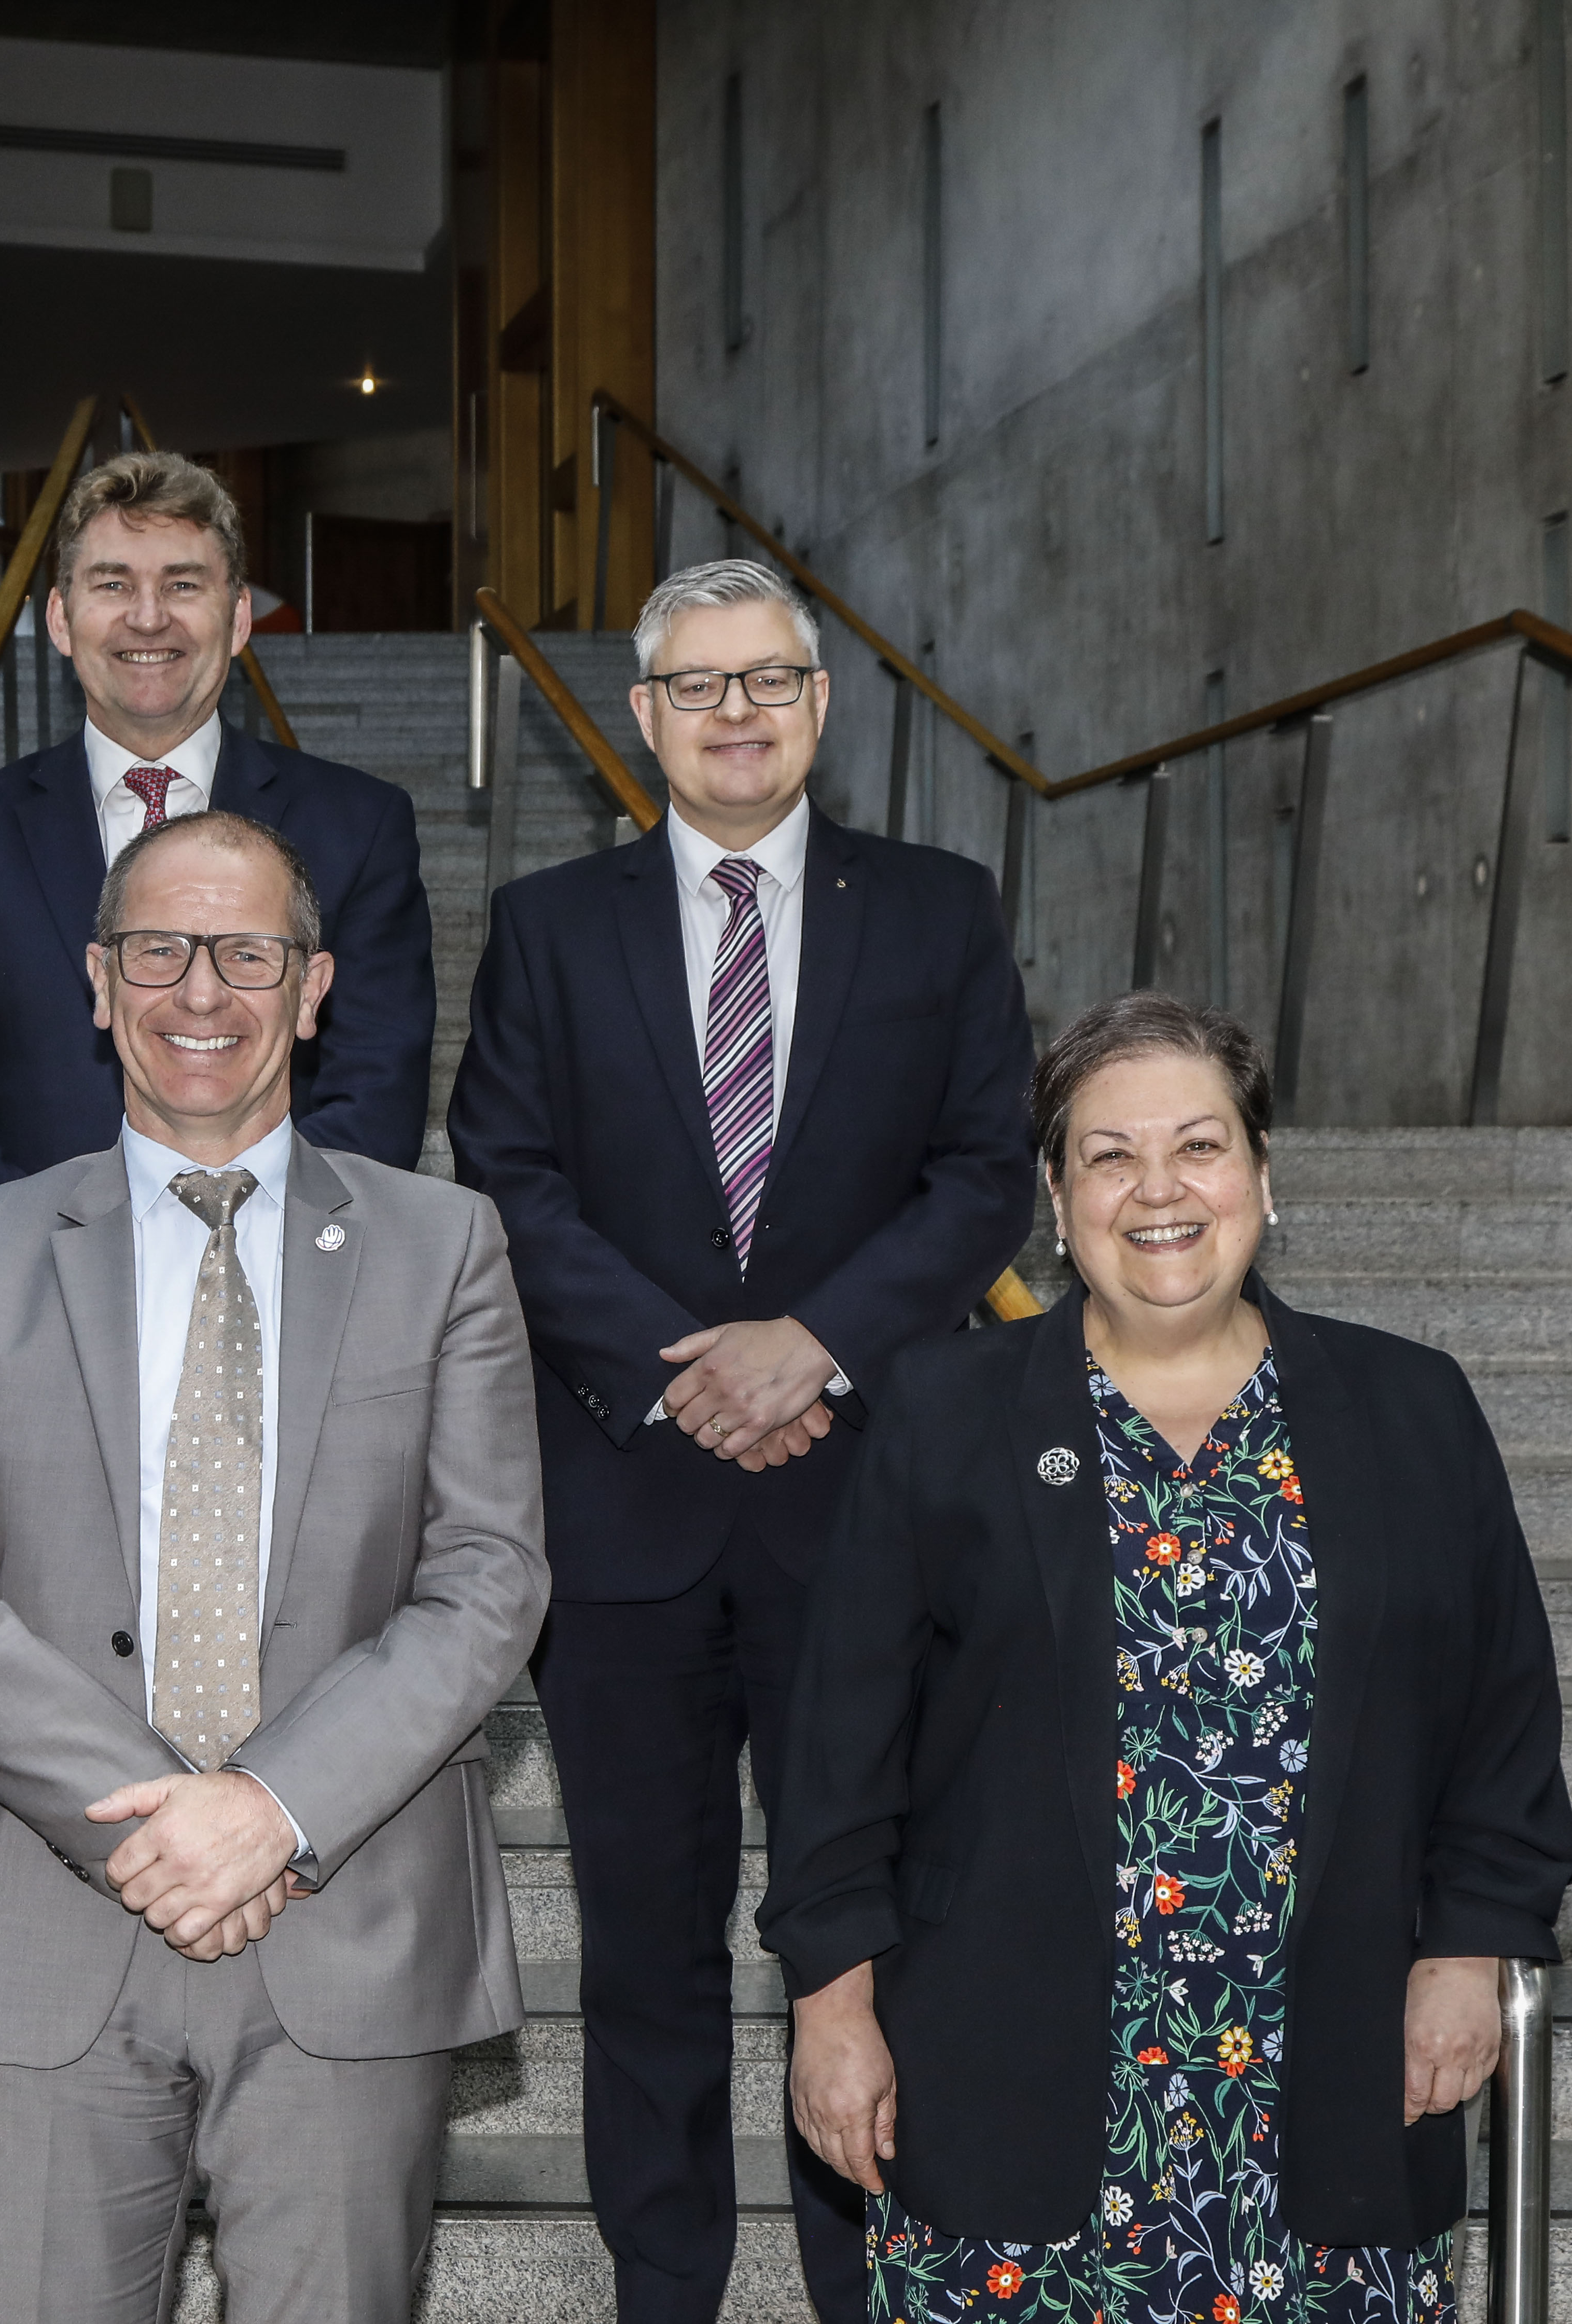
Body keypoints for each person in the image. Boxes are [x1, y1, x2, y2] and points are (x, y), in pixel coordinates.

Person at [774, 990, 1572, 2323]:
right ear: (1057, 1192)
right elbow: (838, 1750)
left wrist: (1467, 1949)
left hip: (1328, 2070)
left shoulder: (1411, 1405)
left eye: (1199, 1145)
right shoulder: (943, 1408)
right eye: (1109, 1154)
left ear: (1263, 1172)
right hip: (1008, 2072)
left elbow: (1502, 1712)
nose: (1159, 1189)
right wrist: (831, 2002)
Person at [443, 557, 1036, 2323]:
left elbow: (987, 1170)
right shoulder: (553, 926)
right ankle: (666, 2287)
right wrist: (683, 1366)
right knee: (645, 1944)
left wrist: (818, 1348)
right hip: (624, 1514)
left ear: (820, 705)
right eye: (697, 687)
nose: (735, 713)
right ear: (642, 719)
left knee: (868, 1930)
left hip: (870, 1513)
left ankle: (875, 2284)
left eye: (768, 681)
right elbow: (507, 1175)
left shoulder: (937, 911)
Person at [0, 810, 548, 2323]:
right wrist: (161, 1826)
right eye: (160, 950)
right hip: (51, 1929)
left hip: (348, 1926)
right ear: (99, 983)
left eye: (248, 953)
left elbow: (488, 1577)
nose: (202, 992)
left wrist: (270, 1810)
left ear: (312, 989)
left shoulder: (446, 1249)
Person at [0, 450, 434, 1231]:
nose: (147, 616)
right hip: (39, 1303)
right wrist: (43, 1258)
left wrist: (236, 1245)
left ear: (237, 618)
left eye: (182, 584)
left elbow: (378, 1092)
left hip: (283, 1287)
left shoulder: (360, 829)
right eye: (112, 584)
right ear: (61, 619)